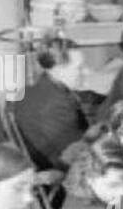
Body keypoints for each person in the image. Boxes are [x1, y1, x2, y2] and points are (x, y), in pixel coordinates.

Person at [11, 37, 90, 172]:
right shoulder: (55, 104)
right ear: (57, 68)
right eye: (79, 68)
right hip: (58, 170)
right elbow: (74, 155)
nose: (86, 72)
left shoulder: (38, 88)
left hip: (46, 156)